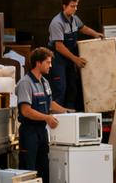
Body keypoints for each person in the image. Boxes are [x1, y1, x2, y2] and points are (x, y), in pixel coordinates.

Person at [15, 47, 73, 183]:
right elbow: (26, 111)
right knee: (29, 171)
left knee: (44, 169)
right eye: (48, 62)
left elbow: (50, 103)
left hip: (42, 132)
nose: (51, 66)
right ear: (38, 63)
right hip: (29, 133)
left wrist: (67, 111)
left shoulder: (45, 82)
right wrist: (47, 118)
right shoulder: (25, 83)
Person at [47, 0, 104, 111]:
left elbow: (83, 28)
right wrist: (76, 59)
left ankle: (71, 115)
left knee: (72, 88)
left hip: (69, 58)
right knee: (60, 88)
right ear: (64, 6)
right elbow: (59, 46)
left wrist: (95, 34)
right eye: (72, 6)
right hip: (58, 59)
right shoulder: (56, 23)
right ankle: (57, 117)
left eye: (76, 6)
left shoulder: (74, 19)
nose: (75, 9)